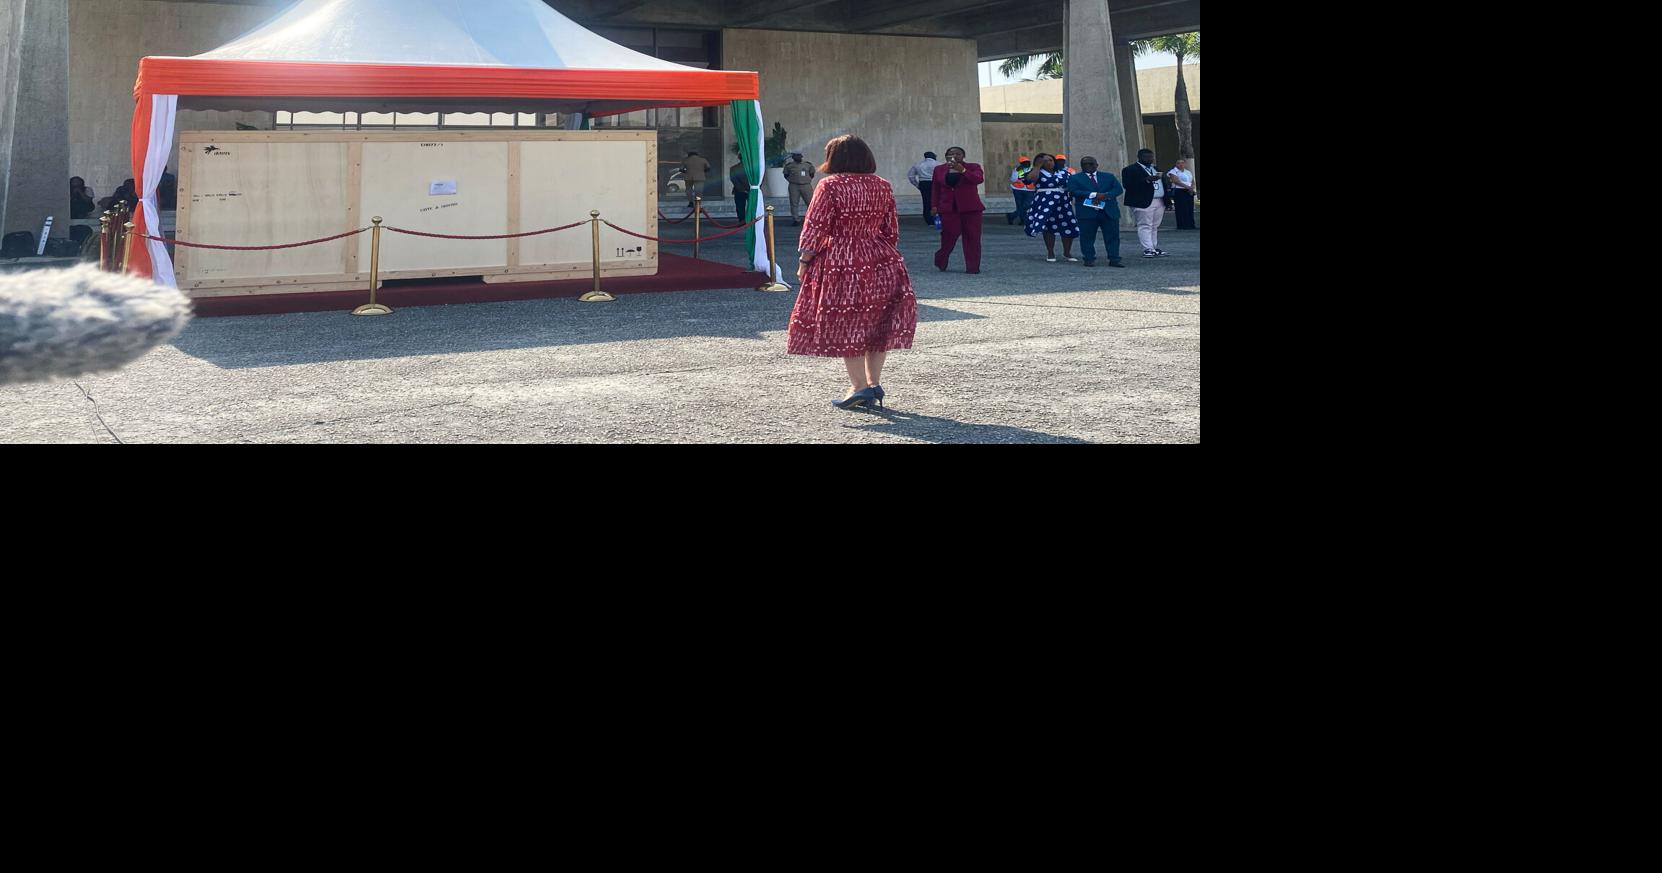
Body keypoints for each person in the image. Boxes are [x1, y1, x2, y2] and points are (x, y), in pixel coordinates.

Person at [789, 134, 917, 410]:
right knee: (877, 322)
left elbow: (815, 226)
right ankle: (874, 383)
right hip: (881, 257)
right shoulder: (882, 185)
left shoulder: (830, 185)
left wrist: (804, 260)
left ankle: (859, 386)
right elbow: (891, 230)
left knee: (849, 322)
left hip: (842, 258)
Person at [932, 146, 984, 274]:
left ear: (963, 156)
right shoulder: (939, 169)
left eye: (958, 154)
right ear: (946, 156)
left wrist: (963, 170)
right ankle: (941, 258)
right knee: (948, 237)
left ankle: (973, 267)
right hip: (948, 209)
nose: (954, 156)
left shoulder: (973, 167)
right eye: (951, 154)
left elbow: (978, 179)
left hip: (971, 209)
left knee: (972, 238)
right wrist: (934, 206)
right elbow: (935, 189)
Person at [1065, 156, 1125, 268]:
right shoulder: (1075, 178)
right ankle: (1089, 258)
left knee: (1112, 236)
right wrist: (1093, 195)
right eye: (1085, 164)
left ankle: (1114, 259)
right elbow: (1073, 191)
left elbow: (1118, 189)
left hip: (1108, 211)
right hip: (1087, 212)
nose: (1088, 166)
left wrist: (1106, 195)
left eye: (1091, 164)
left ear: (1097, 165)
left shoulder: (1109, 176)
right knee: (1087, 237)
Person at [1023, 154, 1079, 262]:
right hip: (1045, 203)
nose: (1049, 162)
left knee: (1068, 224)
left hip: (1063, 202)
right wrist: (1037, 167)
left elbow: (1072, 184)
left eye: (1051, 160)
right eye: (1045, 161)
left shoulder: (1063, 172)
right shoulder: (1037, 172)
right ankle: (1050, 252)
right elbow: (1030, 179)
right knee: (1048, 227)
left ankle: (1067, 252)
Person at [1123, 148, 1171, 257]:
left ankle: (1154, 247)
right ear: (1140, 157)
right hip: (1142, 201)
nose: (1150, 159)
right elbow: (1128, 185)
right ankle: (1148, 248)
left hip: (1159, 200)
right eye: (1147, 157)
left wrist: (1167, 201)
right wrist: (1147, 180)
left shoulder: (1155, 168)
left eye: (1151, 157)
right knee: (1145, 225)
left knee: (1154, 226)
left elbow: (1163, 184)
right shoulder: (1130, 169)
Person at [782, 151, 816, 226]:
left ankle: (811, 219)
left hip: (806, 185)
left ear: (801, 156)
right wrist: (792, 180)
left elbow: (812, 174)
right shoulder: (789, 165)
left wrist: (806, 179)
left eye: (799, 156)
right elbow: (786, 175)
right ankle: (796, 219)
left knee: (810, 203)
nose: (797, 157)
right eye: (796, 156)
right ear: (793, 157)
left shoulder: (807, 165)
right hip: (794, 186)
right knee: (794, 203)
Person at [907, 151, 940, 226]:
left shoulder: (918, 164)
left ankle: (928, 220)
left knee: (926, 202)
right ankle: (937, 218)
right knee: (937, 200)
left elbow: (911, 176)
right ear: (934, 156)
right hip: (936, 183)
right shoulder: (938, 164)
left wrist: (917, 185)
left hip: (923, 183)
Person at [1166, 159, 1197, 229]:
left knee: (1189, 208)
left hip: (1189, 191)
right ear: (1176, 164)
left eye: (1182, 163)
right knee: (1181, 208)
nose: (1181, 164)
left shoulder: (1188, 172)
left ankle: (1190, 224)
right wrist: (1187, 187)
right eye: (1178, 163)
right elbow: (1176, 181)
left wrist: (1191, 188)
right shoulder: (1173, 171)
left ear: (1185, 164)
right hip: (1179, 191)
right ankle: (1182, 225)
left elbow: (1192, 181)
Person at [1007, 156, 1035, 225]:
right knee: (1019, 206)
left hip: (1030, 190)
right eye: (1024, 162)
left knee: (1027, 205)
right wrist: (1016, 172)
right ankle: (1023, 220)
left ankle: (1012, 216)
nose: (1026, 163)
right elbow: (1013, 179)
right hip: (1018, 189)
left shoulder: (1033, 170)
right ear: (1021, 163)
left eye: (1027, 162)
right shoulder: (1017, 170)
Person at [730, 159, 752, 224]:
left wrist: (742, 189)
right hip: (751, 189)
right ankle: (751, 220)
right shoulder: (752, 167)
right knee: (752, 206)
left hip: (739, 190)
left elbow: (734, 180)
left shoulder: (734, 168)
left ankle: (742, 221)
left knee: (740, 207)